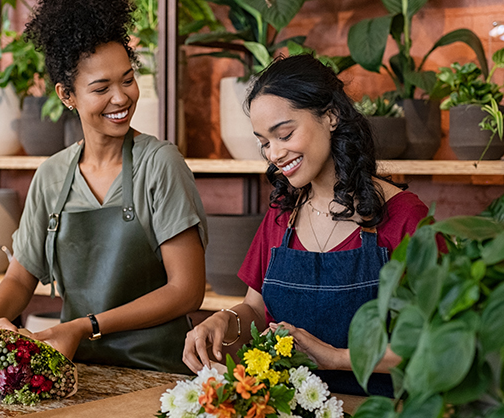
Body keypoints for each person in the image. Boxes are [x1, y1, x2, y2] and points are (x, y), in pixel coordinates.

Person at [0, 0, 208, 374]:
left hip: (156, 374)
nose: (121, 98)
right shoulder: (51, 177)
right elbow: (20, 277)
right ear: (67, 95)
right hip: (80, 373)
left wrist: (85, 327)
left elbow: (186, 291)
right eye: (101, 88)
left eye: (127, 79)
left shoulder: (160, 164)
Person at [182, 54, 430, 396]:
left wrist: (337, 357)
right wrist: (225, 321)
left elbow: (434, 343)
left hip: (377, 417)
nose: (274, 154)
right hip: (286, 413)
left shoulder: (405, 217)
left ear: (331, 115)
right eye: (265, 142)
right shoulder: (283, 215)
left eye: (284, 134)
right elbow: (255, 308)